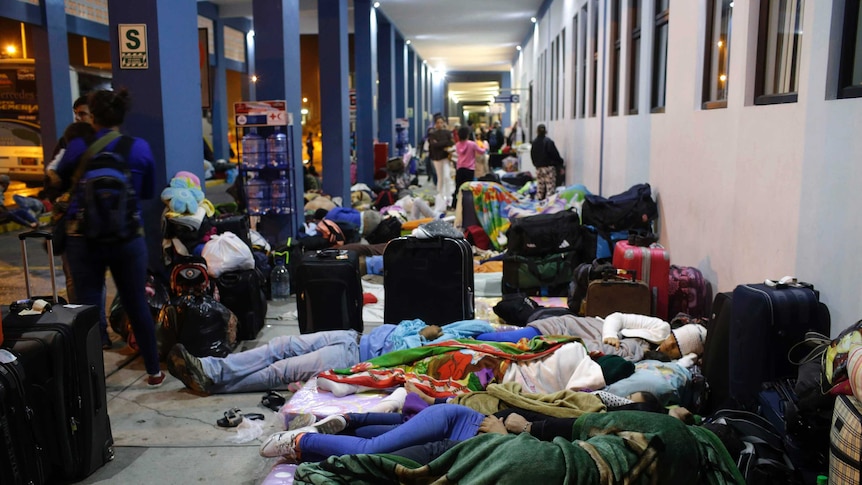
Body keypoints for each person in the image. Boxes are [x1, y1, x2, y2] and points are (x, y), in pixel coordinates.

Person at [55, 88, 165, 387]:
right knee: (135, 302)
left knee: (86, 309)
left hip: (83, 237)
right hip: (127, 238)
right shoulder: (138, 147)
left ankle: (88, 380)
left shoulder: (79, 145)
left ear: (93, 116)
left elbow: (60, 177)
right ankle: (154, 371)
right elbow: (146, 192)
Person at [166, 320, 494, 395]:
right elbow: (478, 323)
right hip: (352, 335)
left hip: (354, 356)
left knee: (282, 370)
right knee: (278, 345)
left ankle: (212, 382)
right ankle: (210, 368)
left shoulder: (449, 355)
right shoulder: (455, 331)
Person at [451, 125, 485, 209]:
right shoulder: (472, 144)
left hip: (459, 168)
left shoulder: (457, 145)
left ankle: (454, 204)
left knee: (458, 187)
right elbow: (481, 151)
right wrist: (485, 147)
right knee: (468, 188)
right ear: (467, 135)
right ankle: (468, 205)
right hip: (469, 169)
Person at [530, 124, 565, 201]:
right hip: (548, 168)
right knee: (550, 189)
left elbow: (532, 155)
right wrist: (560, 162)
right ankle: (548, 206)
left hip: (539, 168)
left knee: (540, 189)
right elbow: (555, 154)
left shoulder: (534, 143)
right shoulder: (548, 142)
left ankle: (538, 205)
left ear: (537, 131)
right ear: (545, 131)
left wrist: (536, 164)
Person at [426, 116, 454, 206]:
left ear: (444, 123)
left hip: (445, 157)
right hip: (436, 158)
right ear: (435, 124)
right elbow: (433, 145)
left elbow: (450, 143)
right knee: (440, 178)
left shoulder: (447, 133)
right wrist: (443, 143)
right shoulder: (432, 134)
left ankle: (449, 197)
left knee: (447, 176)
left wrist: (439, 144)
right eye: (438, 122)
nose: (439, 124)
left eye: (441, 122)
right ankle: (440, 196)